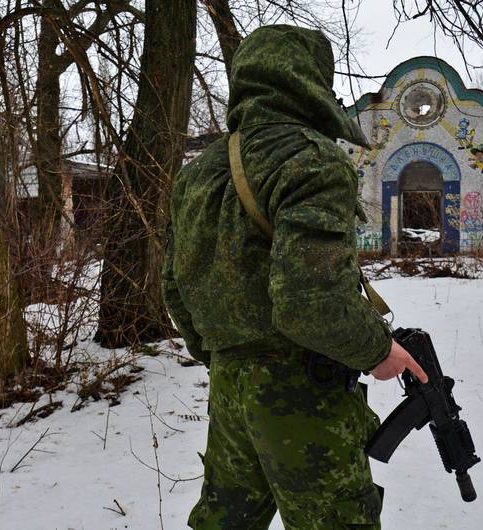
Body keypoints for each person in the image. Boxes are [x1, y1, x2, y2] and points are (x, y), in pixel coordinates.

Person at [161, 24, 427, 530]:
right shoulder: (310, 159)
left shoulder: (199, 172)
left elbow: (174, 284)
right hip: (300, 388)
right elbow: (309, 301)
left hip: (229, 386)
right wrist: (377, 350)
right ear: (309, 81)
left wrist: (224, 354)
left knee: (228, 520)